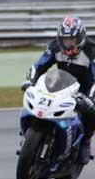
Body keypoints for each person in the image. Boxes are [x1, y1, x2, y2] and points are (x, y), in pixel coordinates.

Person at [23, 15, 95, 163]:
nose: (67, 44)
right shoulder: (54, 47)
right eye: (64, 40)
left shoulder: (91, 51)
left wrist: (90, 98)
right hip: (63, 83)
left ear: (80, 38)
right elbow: (39, 66)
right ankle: (30, 136)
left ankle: (86, 141)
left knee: (91, 111)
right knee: (38, 99)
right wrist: (30, 81)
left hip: (85, 89)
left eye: (72, 40)